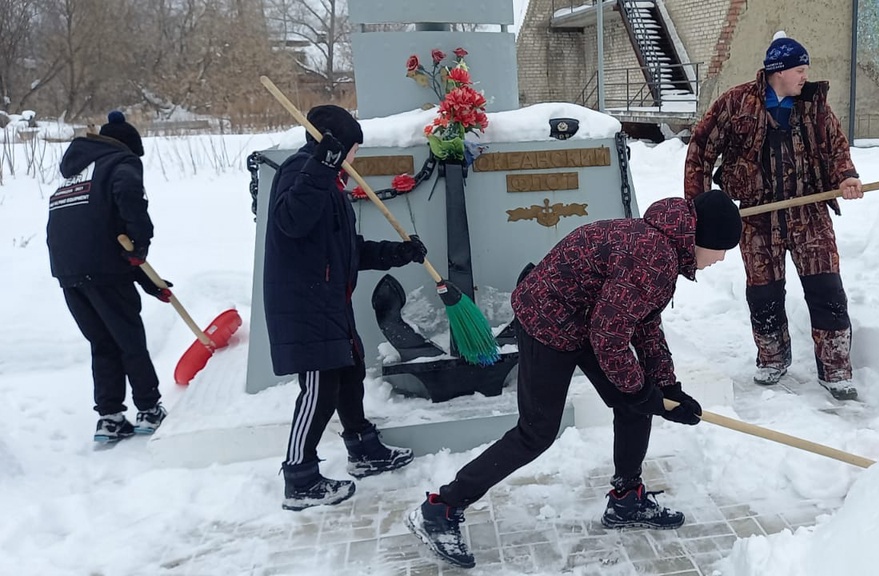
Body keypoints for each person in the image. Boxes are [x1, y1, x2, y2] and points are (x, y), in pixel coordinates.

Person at [404, 190, 744, 568]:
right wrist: (641, 390)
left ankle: (627, 499)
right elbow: (610, 337)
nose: (722, 259)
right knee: (537, 432)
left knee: (635, 405)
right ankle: (441, 508)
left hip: (585, 320)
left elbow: (643, 322)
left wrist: (666, 387)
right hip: (548, 321)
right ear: (702, 238)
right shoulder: (654, 256)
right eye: (722, 249)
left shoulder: (663, 243)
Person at [263, 105, 428, 511]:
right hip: (304, 304)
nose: (355, 157)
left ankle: (363, 448)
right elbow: (290, 222)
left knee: (350, 374)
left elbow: (345, 249)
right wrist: (321, 166)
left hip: (329, 301)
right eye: (352, 148)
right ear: (334, 146)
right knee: (318, 391)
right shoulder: (300, 172)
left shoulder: (328, 183)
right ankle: (299, 478)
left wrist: (399, 253)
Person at [684, 33, 864, 401]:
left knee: (827, 289)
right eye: (799, 70)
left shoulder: (813, 105)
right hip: (757, 216)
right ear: (777, 72)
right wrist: (700, 206)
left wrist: (846, 176)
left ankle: (836, 369)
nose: (805, 76)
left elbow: (835, 148)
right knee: (764, 294)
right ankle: (772, 358)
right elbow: (701, 148)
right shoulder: (737, 104)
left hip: (809, 212)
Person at [48, 111, 171, 443]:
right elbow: (128, 202)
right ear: (128, 147)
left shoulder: (76, 172)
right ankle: (148, 409)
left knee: (103, 342)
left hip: (68, 271)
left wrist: (149, 282)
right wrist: (141, 242)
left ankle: (110, 418)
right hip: (102, 268)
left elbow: (99, 230)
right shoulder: (121, 163)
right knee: (129, 340)